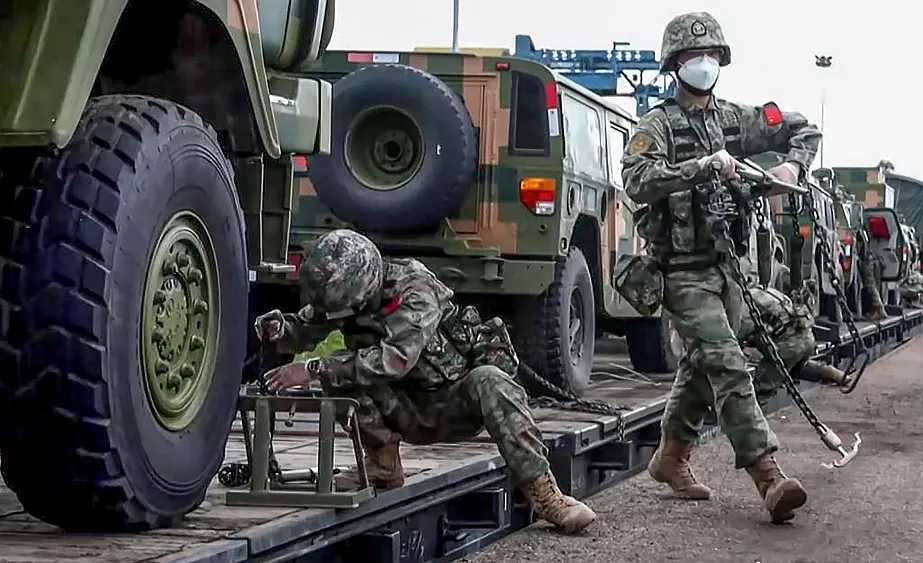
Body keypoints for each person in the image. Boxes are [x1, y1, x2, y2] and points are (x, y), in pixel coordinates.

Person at [618, 11, 822, 524]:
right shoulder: (657, 125)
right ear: (674, 65)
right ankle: (769, 477)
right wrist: (699, 167)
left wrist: (791, 166)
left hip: (732, 273)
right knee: (727, 362)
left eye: (709, 55)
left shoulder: (734, 119)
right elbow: (637, 180)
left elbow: (803, 127)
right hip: (682, 274)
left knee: (780, 334)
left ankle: (671, 455)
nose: (702, 64)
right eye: (691, 57)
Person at [256, 229, 596, 534]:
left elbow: (396, 360)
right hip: (402, 406)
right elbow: (308, 326)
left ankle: (547, 496)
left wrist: (312, 368)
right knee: (340, 373)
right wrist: (281, 330)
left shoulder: (415, 289)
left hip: (449, 402)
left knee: (492, 381)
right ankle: (382, 466)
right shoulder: (349, 292)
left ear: (364, 293)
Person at [737, 284, 850, 406]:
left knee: (760, 389)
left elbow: (740, 332)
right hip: (806, 338)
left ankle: (752, 421)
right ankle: (830, 372)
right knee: (795, 368)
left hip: (788, 345)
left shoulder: (743, 300)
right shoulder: (766, 291)